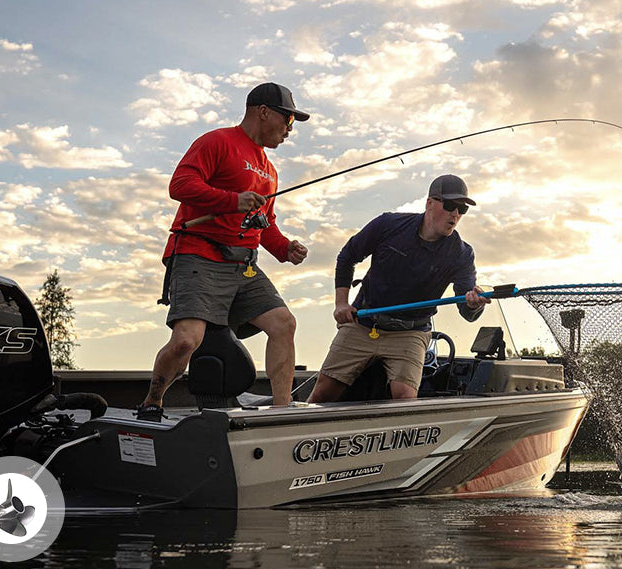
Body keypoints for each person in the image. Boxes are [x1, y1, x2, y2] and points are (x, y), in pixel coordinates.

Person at [137, 82, 311, 421]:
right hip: (198, 255)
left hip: (242, 265)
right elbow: (180, 186)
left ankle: (282, 412)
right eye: (288, 121)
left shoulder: (270, 172)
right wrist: (233, 200)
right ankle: (152, 400)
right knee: (187, 341)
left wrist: (284, 247)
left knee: (283, 323)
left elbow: (263, 223)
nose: (290, 131)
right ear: (263, 112)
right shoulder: (217, 142)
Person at [307, 174, 491, 403]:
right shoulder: (388, 225)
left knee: (405, 398)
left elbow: (467, 308)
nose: (456, 214)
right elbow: (347, 256)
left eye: (462, 209)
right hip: (363, 323)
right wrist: (341, 304)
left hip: (410, 333)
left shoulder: (462, 253)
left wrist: (474, 304)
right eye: (451, 205)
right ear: (430, 203)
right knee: (323, 393)